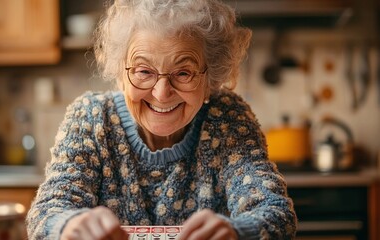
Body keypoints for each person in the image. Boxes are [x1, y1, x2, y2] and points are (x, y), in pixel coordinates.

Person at [26, 0, 297, 239]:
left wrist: (237, 231)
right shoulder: (91, 118)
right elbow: (47, 213)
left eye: (183, 73)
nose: (161, 93)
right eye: (144, 71)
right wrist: (69, 225)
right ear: (120, 74)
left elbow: (275, 212)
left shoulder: (226, 117)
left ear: (210, 78)